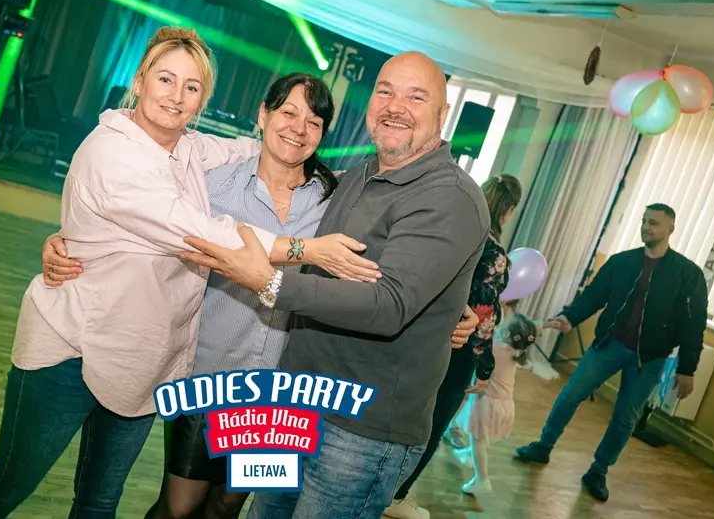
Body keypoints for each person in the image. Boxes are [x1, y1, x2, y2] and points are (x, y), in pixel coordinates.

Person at [0, 28, 379, 518]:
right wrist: (311, 250)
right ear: (139, 81)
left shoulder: (309, 191)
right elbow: (199, 232)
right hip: (164, 369)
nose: (177, 96)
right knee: (162, 507)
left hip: (253, 387)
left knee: (209, 505)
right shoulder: (200, 180)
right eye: (165, 79)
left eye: (191, 87)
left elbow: (369, 212)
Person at [41, 72, 480, 519]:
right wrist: (67, 241)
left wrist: (448, 305)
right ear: (263, 115)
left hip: (282, 394)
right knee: (180, 507)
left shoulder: (336, 194)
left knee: (229, 503)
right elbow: (146, 223)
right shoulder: (212, 185)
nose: (298, 128)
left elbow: (402, 260)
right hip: (210, 378)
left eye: (314, 122)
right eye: (288, 112)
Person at [180, 51, 491, 519]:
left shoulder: (450, 195)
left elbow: (389, 304)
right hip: (292, 404)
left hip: (361, 432)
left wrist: (270, 282)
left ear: (443, 114)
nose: (395, 106)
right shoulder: (358, 176)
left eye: (416, 97)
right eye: (385, 91)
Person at [515, 203, 708, 502]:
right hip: (609, 344)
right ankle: (543, 446)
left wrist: (687, 368)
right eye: (644, 221)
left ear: (670, 228)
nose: (646, 227)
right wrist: (571, 317)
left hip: (649, 359)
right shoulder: (622, 262)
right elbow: (594, 295)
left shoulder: (688, 274)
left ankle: (598, 471)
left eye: (654, 223)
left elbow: (693, 324)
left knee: (625, 419)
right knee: (570, 395)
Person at [383, 173, 522, 519]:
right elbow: (484, 317)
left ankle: (379, 484)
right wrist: (485, 368)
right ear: (508, 212)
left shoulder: (452, 233)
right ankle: (396, 496)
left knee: (403, 413)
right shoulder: (494, 254)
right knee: (433, 424)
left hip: (420, 334)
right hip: (458, 347)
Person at [453, 311, 537, 495]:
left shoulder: (497, 348)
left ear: (506, 334)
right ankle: (470, 454)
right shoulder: (517, 350)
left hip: (489, 404)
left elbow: (480, 340)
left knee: (478, 439)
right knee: (481, 436)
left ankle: (482, 479)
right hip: (503, 404)